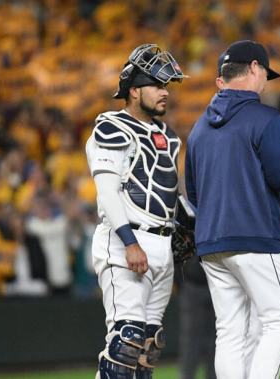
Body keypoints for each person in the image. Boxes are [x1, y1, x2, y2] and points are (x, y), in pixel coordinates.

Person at [184, 40, 280, 379]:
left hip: (212, 243)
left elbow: (195, 195)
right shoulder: (265, 117)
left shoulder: (199, 128)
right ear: (255, 68)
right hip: (255, 237)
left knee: (229, 331)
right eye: (264, 73)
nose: (265, 81)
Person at [85, 43, 189, 379]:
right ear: (133, 91)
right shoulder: (111, 127)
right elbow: (108, 192)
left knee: (148, 347)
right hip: (124, 242)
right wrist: (130, 242)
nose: (164, 93)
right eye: (157, 85)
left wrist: (184, 226)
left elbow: (168, 193)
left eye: (166, 86)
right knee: (125, 341)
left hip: (160, 245)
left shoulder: (167, 136)